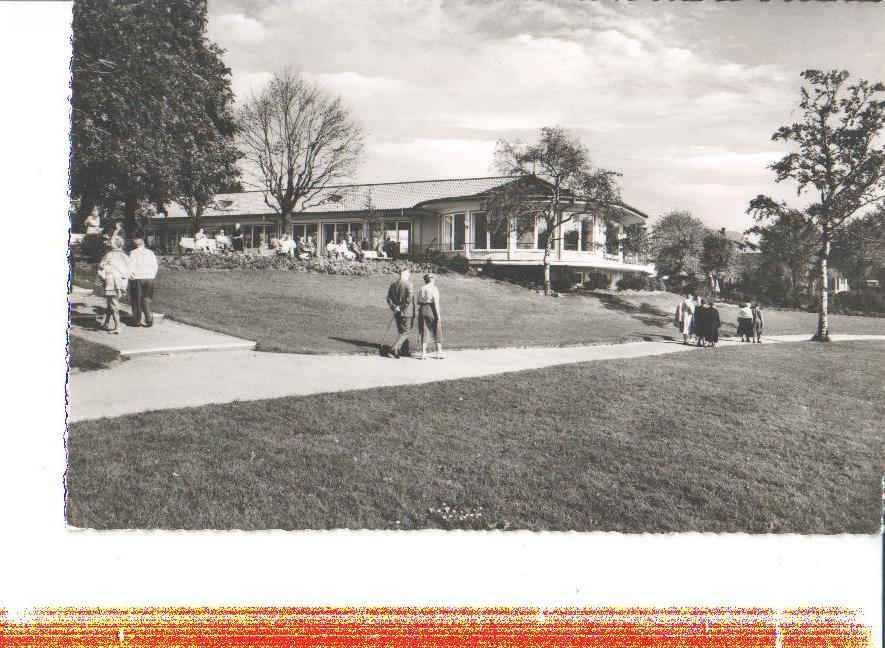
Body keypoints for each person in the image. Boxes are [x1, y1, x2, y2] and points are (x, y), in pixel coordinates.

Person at [94, 236, 131, 334]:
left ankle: (117, 327)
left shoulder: (109, 255)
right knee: (111, 302)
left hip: (112, 281)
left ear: (113, 244)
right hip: (123, 282)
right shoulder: (125, 255)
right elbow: (129, 269)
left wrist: (99, 278)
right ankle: (106, 323)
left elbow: (101, 267)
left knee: (113, 304)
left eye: (110, 242)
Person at [128, 238, 159, 327]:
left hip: (138, 278)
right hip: (149, 278)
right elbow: (155, 266)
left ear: (135, 245)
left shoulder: (133, 253)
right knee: (147, 299)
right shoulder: (150, 253)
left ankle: (136, 321)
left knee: (136, 300)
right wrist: (152, 276)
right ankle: (149, 319)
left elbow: (131, 266)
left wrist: (130, 276)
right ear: (143, 244)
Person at [386, 267, 415, 358]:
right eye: (408, 274)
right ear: (405, 274)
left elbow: (388, 298)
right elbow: (409, 299)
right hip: (406, 312)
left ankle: (404, 350)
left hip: (397, 312)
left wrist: (394, 307)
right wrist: (401, 307)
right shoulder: (409, 284)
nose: (409, 276)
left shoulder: (393, 284)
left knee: (402, 332)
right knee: (406, 332)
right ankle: (393, 350)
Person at [416, 273, 443, 360]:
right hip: (431, 308)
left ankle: (423, 353)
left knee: (424, 330)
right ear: (432, 279)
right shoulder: (434, 288)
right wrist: (438, 315)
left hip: (422, 309)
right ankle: (438, 352)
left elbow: (418, 302)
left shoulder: (421, 288)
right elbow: (436, 302)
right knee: (436, 329)